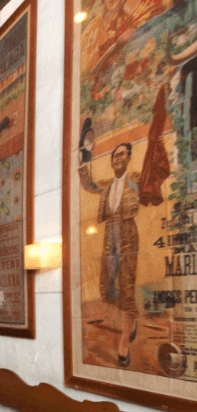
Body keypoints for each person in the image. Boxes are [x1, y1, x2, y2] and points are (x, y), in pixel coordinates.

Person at [79, 143, 139, 367]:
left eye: (122, 154)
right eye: (115, 155)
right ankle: (131, 320)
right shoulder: (106, 185)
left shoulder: (135, 180)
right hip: (109, 234)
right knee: (107, 286)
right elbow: (89, 184)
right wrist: (83, 160)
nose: (117, 158)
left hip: (128, 233)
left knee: (127, 286)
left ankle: (124, 340)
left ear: (129, 157)